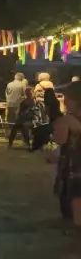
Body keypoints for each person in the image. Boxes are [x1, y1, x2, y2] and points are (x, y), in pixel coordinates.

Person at [51, 80, 81, 225]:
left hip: (73, 166)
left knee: (74, 196)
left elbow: (60, 141)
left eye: (65, 97)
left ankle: (75, 224)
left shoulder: (68, 120)